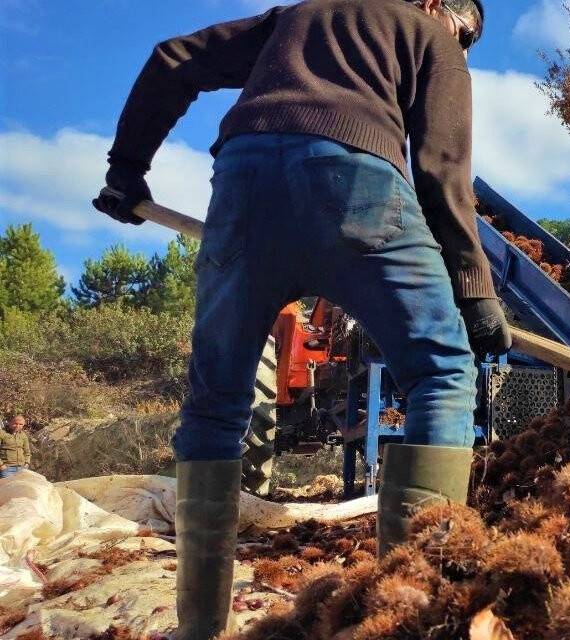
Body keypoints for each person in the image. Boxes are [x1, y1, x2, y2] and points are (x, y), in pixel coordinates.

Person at [90, 1, 505, 637]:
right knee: (441, 373)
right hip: (359, 186)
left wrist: (126, 174)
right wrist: (475, 292)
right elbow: (441, 171)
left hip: (244, 182)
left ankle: (199, 626)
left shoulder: (300, 17)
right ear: (434, 5)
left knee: (214, 406)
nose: (466, 46)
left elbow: (172, 59)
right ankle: (406, 619)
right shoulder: (429, 35)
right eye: (467, 31)